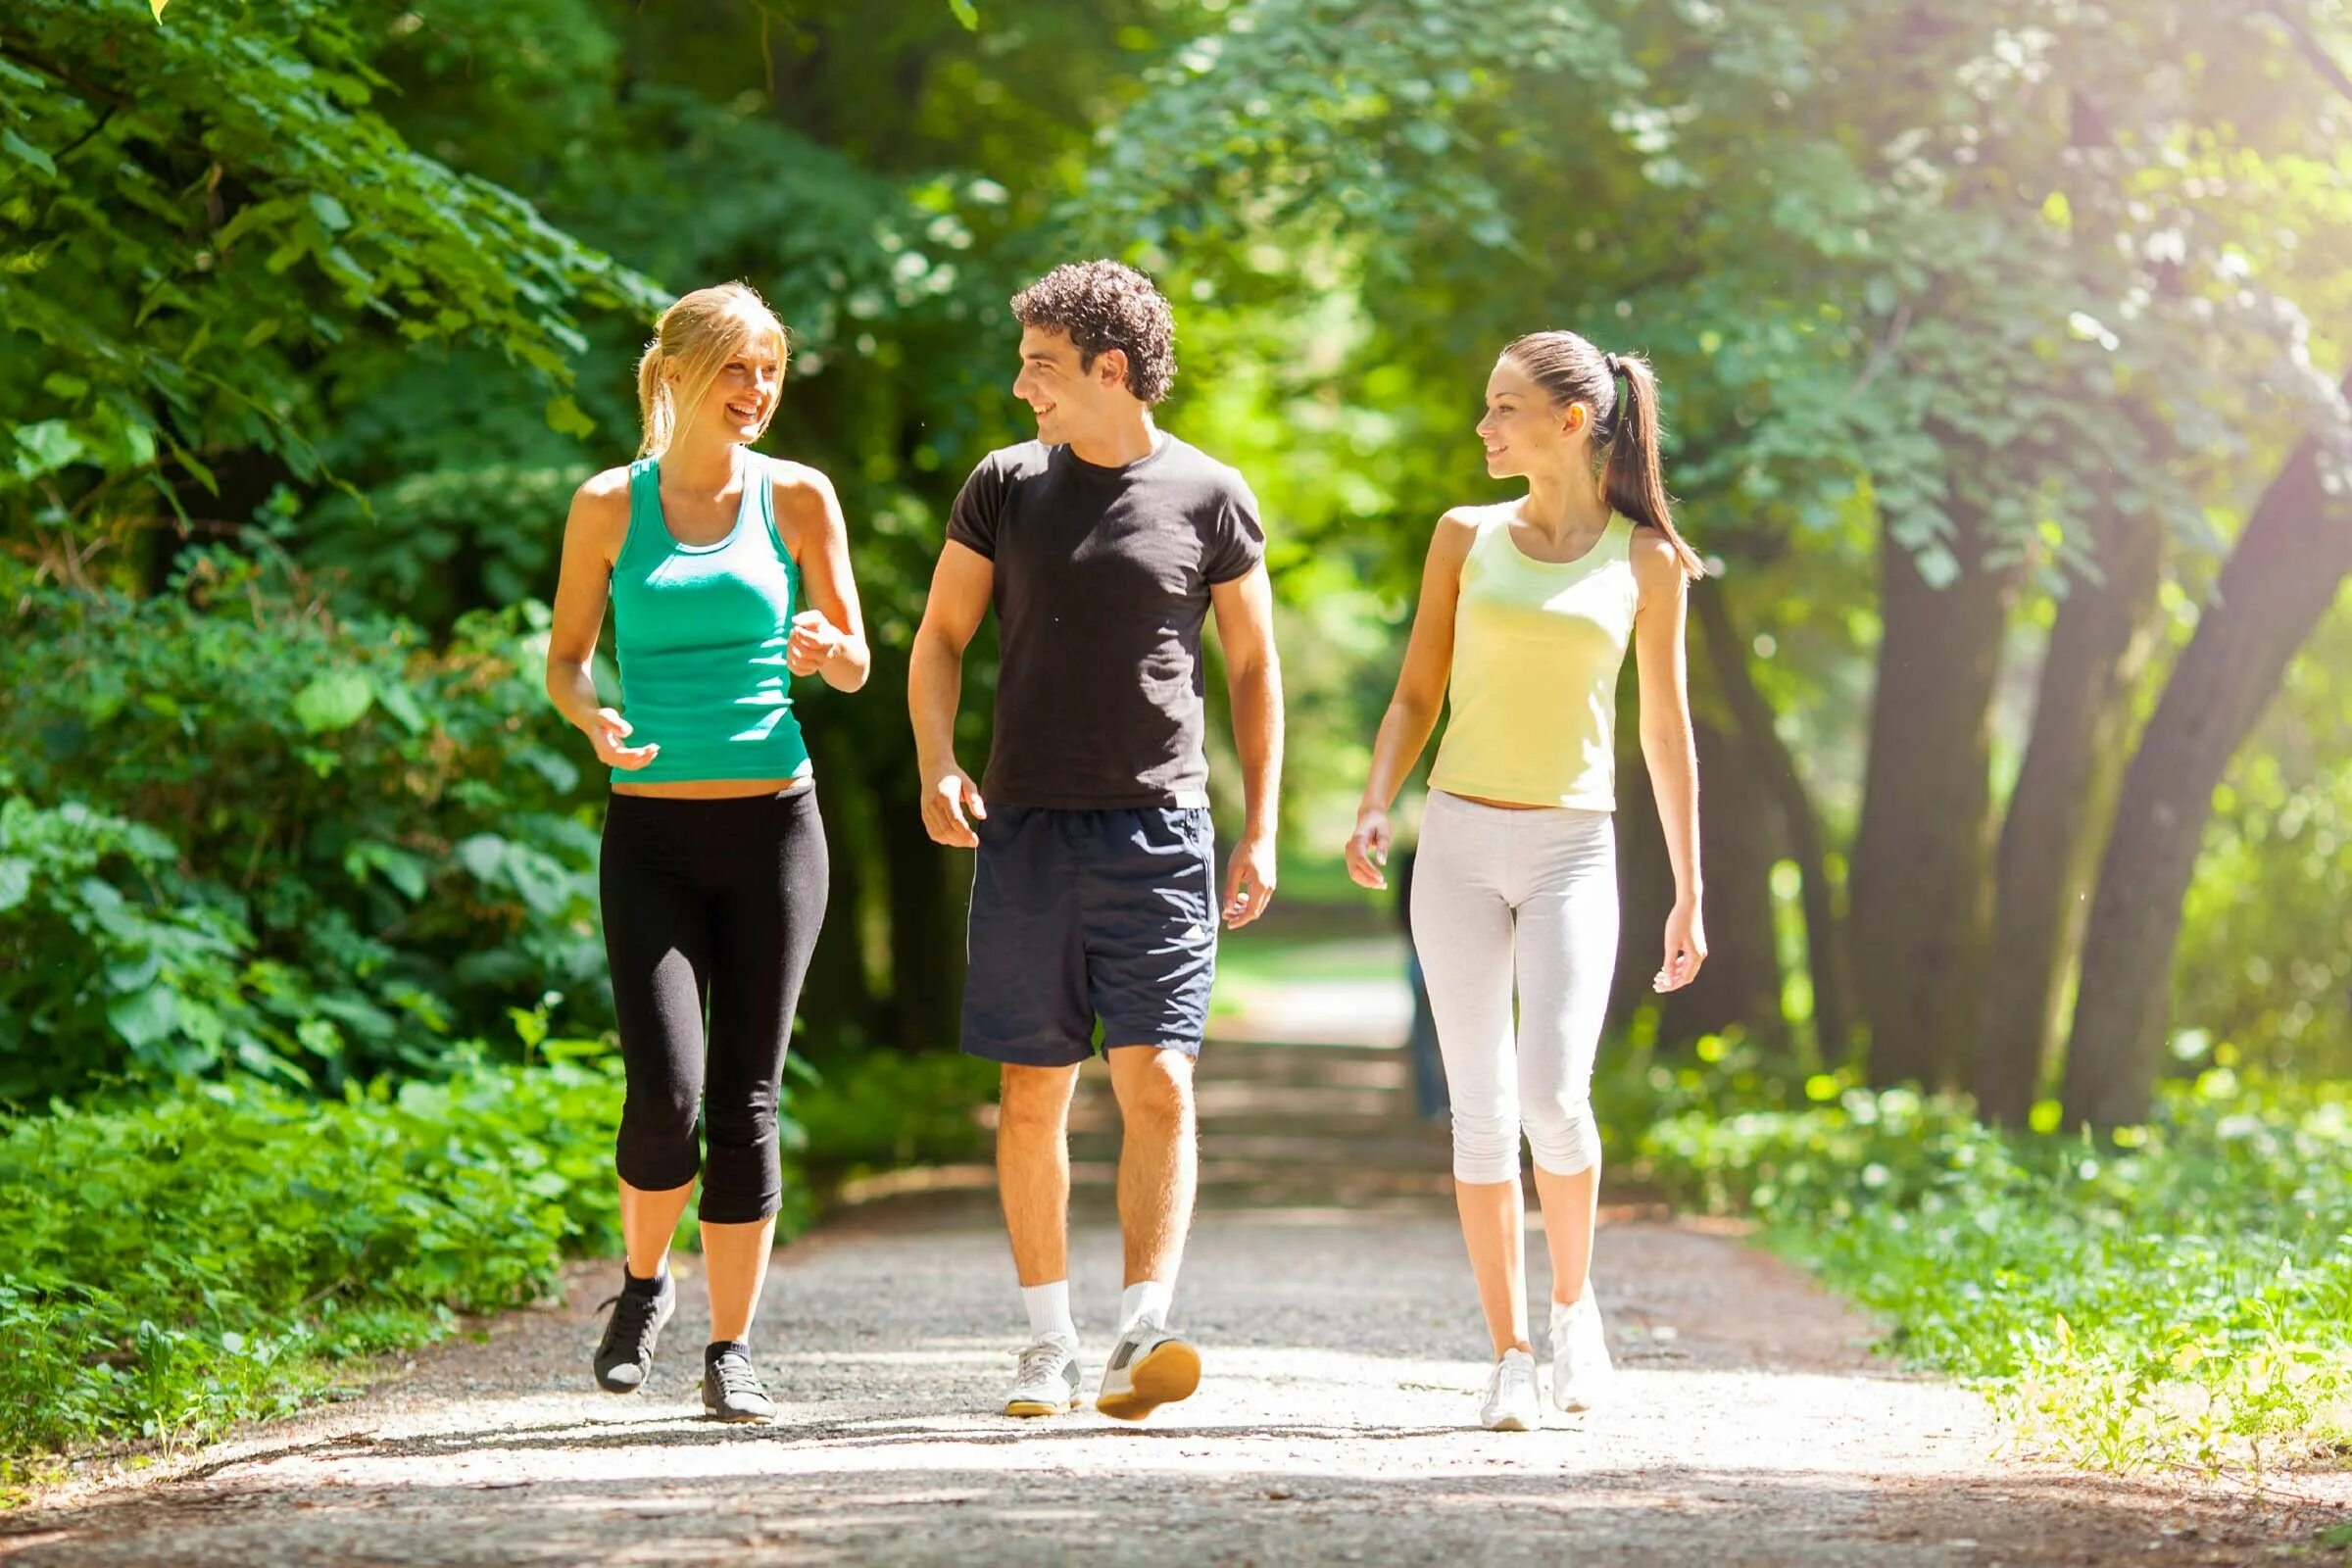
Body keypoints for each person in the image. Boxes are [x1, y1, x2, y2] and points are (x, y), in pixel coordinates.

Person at [909, 260, 1284, 1422]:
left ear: (1109, 370)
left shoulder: (1211, 495)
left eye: (1040, 366)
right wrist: (937, 761)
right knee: (1033, 1089)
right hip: (1025, 829)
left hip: (1161, 829)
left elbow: (1256, 668)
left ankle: (1140, 1332)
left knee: (1160, 1080)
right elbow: (937, 638)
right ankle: (1047, 1344)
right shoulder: (1004, 487)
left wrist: (1262, 824)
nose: (1022, 387)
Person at [1344, 331, 1705, 1432]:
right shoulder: (1464, 537)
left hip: (1572, 849)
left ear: (1572, 421)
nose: (1483, 427)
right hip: (1455, 841)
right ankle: (1505, 1352)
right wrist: (1374, 798)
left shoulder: (1646, 561)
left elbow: (1665, 731)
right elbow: (1416, 693)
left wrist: (1691, 890)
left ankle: (1571, 1307)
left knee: (1555, 1092)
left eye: (1504, 409)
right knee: (1481, 1109)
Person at [545, 282, 869, 1423]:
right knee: (664, 1092)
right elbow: (569, 660)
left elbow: (855, 656)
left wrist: (828, 647)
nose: (758, 391)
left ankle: (733, 1347)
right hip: (652, 835)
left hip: (778, 824)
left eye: (770, 371)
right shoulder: (607, 507)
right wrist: (591, 718)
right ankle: (643, 1286)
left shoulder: (798, 497)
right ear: (675, 373)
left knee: (746, 1096)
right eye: (737, 368)